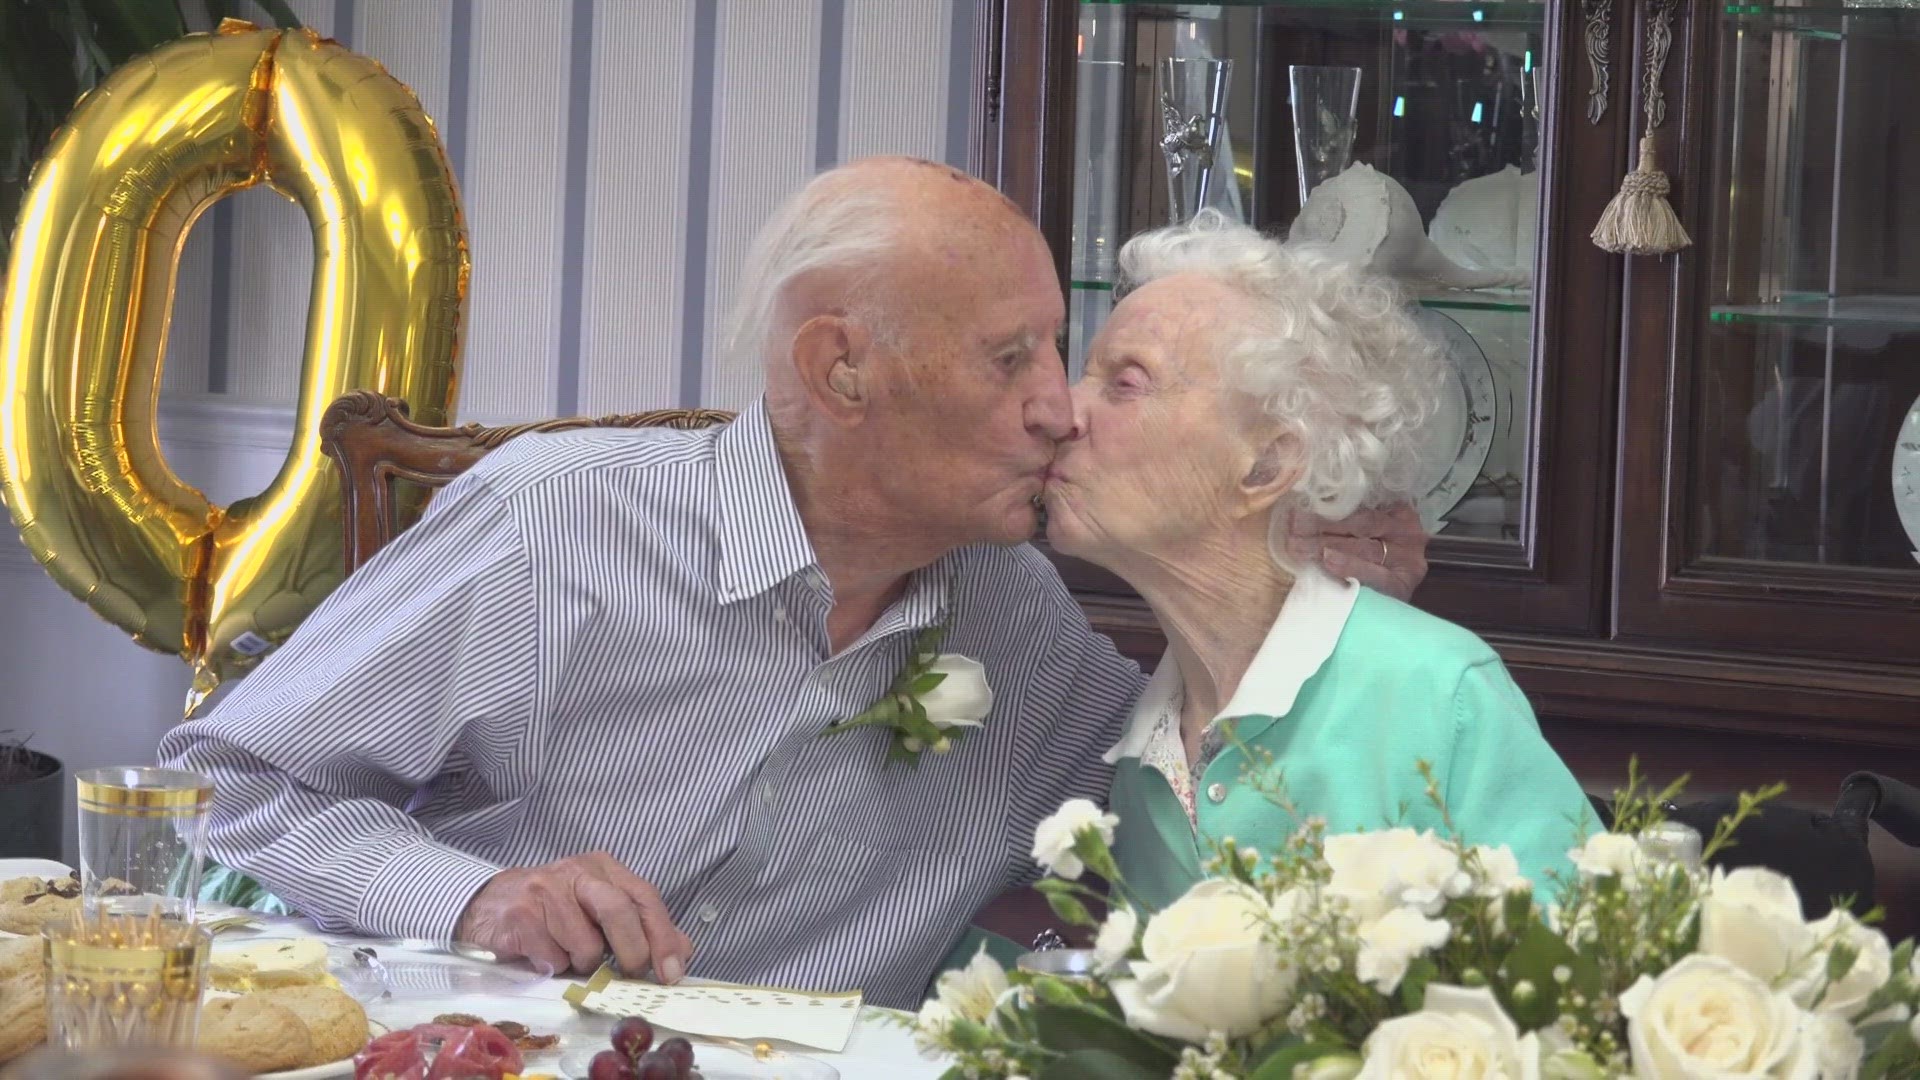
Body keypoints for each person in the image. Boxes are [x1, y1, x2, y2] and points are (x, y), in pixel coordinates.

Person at [157, 158, 1423, 1008]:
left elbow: (1184, 801)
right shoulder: (553, 528)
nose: (1059, 408)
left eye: (1066, 350)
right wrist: (479, 897)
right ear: (843, 371)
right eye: (1010, 358)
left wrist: (1293, 586)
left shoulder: (1012, 608)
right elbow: (230, 786)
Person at [1044, 210, 1590, 910]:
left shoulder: (1439, 696)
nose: (1065, 412)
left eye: (1125, 382)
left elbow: (1577, 980)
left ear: (1266, 464)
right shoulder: (1147, 748)